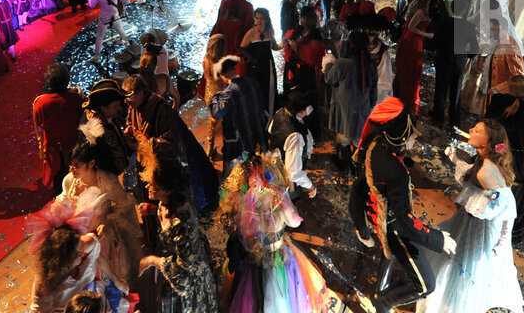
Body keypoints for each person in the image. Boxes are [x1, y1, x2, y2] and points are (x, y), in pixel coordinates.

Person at [349, 98, 457, 313]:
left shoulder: (375, 144)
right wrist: (437, 238)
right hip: (396, 228)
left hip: (378, 219)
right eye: (412, 133)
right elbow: (405, 219)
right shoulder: (395, 172)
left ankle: (381, 288)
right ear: (398, 136)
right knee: (426, 285)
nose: (416, 136)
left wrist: (361, 225)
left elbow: (358, 190)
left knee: (388, 255)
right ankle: (383, 301)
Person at [422, 119, 524, 313]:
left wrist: (502, 242)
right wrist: (454, 159)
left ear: (486, 143)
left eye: (477, 130)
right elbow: (469, 174)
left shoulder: (486, 172)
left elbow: (506, 207)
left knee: (468, 268)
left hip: (481, 231)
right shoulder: (482, 161)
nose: (470, 130)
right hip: (470, 223)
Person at [220, 153, 327, 313]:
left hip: (253, 260)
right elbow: (294, 222)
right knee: (279, 298)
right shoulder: (276, 198)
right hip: (277, 256)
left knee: (255, 299)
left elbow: (245, 239)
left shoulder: (243, 204)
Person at [58, 122, 144, 303]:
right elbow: (64, 202)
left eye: (76, 165)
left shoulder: (107, 182)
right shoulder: (69, 181)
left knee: (107, 286)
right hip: (77, 244)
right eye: (71, 165)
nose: (72, 170)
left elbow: (124, 206)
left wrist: (107, 222)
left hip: (101, 241)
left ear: (92, 163)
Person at [137, 146, 219, 313]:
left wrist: (152, 260)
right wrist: (153, 211)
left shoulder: (181, 221)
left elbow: (184, 268)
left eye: (153, 186)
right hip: (172, 274)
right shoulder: (167, 203)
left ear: (166, 189)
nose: (148, 188)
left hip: (188, 286)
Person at [485, 75, 524, 243]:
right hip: (514, 162)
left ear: (508, 87)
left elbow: (487, 124)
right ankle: (507, 234)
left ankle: (486, 226)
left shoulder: (496, 103)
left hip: (494, 154)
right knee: (513, 197)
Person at [27, 202, 102, 313]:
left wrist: (116, 279)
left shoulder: (87, 245)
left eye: (80, 247)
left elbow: (98, 257)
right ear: (63, 260)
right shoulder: (45, 286)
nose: (82, 253)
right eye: (76, 253)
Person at [324, 31, 376, 171]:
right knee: (358, 141)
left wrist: (328, 64)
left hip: (344, 110)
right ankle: (356, 167)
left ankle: (344, 165)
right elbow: (373, 92)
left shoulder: (342, 64)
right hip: (362, 111)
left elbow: (329, 78)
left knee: (343, 139)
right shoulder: (370, 63)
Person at [33, 63, 85, 193]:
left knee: (57, 177)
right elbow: (82, 116)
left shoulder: (41, 102)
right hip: (72, 144)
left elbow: (39, 122)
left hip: (53, 147)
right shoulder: (74, 98)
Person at [209, 55, 267, 167]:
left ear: (223, 76)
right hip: (259, 134)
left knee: (242, 174)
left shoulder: (228, 92)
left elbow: (216, 113)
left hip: (241, 143)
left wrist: (216, 97)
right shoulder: (253, 82)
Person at [393, 0, 435, 114]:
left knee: (409, 69)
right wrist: (427, 35)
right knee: (410, 70)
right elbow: (411, 27)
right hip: (412, 41)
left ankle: (404, 94)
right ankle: (407, 96)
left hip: (412, 41)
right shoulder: (421, 11)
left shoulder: (418, 9)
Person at [267, 89, 316, 200]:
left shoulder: (281, 112)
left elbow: (271, 131)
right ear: (301, 112)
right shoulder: (296, 136)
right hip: (285, 184)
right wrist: (310, 186)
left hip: (273, 168)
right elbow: (294, 173)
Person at [82, 79, 131, 177]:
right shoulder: (94, 130)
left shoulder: (110, 119)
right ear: (104, 108)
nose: (119, 108)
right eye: (115, 106)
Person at [240, 7, 281, 116]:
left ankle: (270, 113)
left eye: (261, 18)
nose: (258, 21)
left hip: (268, 65)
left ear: (266, 20)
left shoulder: (270, 31)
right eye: (257, 18)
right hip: (256, 67)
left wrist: (284, 46)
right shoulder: (251, 33)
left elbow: (275, 46)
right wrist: (251, 59)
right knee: (257, 89)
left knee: (270, 89)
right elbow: (242, 48)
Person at [81, 0, 130, 64]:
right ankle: (129, 48)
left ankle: (96, 57)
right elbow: (127, 0)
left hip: (104, 19)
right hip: (115, 18)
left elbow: (91, 5)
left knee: (99, 37)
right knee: (122, 33)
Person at [200, 34, 228, 161]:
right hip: (221, 96)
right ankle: (225, 146)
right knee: (226, 121)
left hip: (209, 94)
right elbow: (226, 80)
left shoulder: (206, 59)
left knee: (212, 123)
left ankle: (210, 148)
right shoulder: (220, 63)